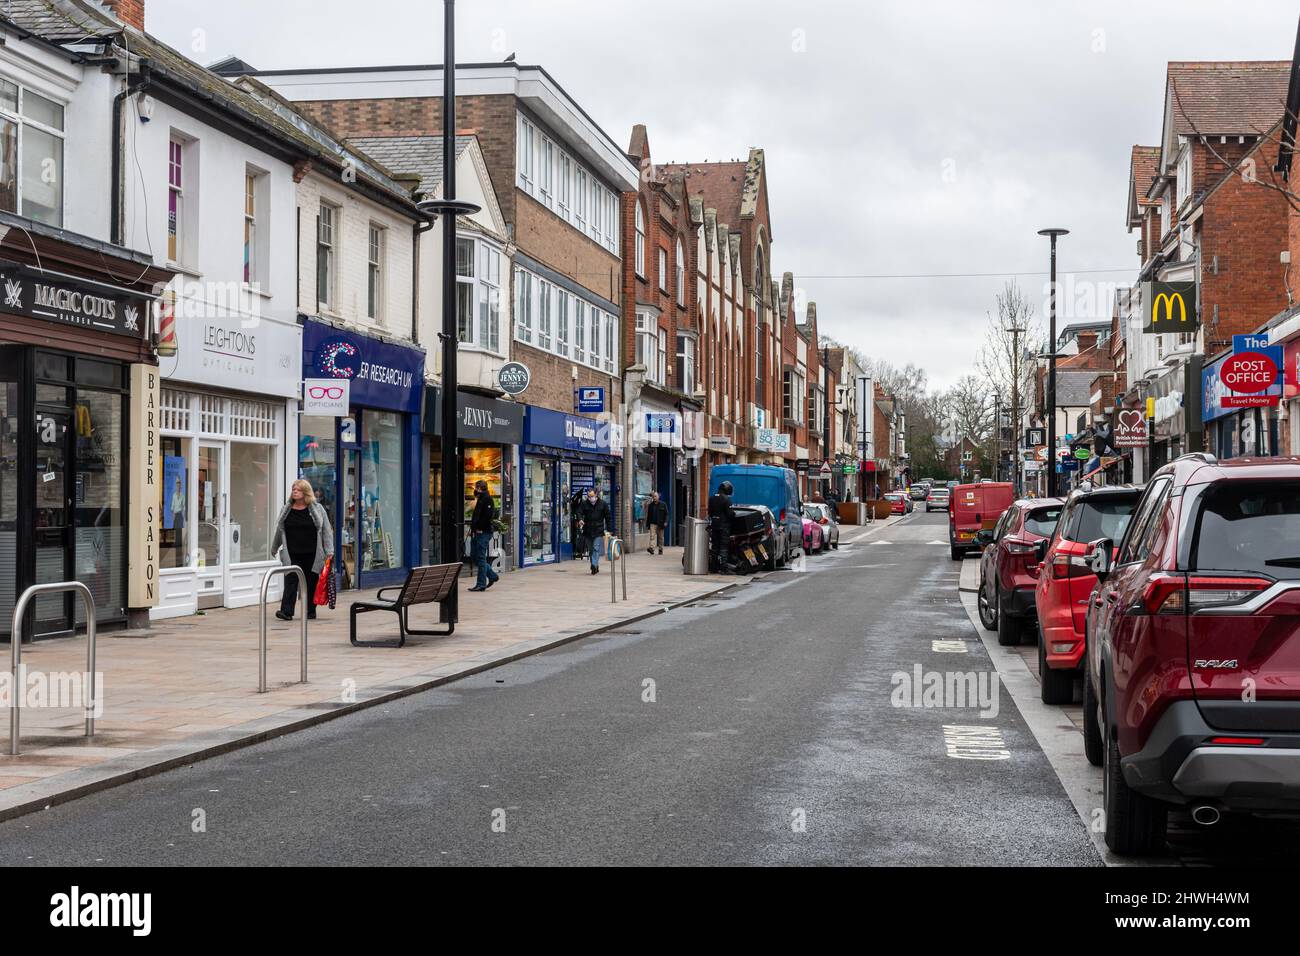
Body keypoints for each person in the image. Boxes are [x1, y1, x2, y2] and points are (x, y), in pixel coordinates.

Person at [271, 479, 334, 621]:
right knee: (290, 581)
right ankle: (286, 611)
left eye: (298, 489)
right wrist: (274, 547)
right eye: (293, 488)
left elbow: (326, 531)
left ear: (305, 492)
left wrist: (329, 551)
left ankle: (310, 611)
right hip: (291, 553)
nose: (294, 491)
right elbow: (280, 530)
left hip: (312, 553)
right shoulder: (286, 509)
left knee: (311, 583)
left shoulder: (317, 509)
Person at [467, 479, 499, 592]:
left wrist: (479, 528)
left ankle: (481, 584)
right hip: (477, 532)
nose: (474, 490)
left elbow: (487, 517)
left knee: (480, 558)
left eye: (476, 488)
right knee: (474, 556)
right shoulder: (480, 499)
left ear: (479, 488)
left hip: (483, 533)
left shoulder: (487, 499)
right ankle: (492, 575)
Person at [577, 487, 611, 574]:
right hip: (587, 530)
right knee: (591, 550)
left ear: (596, 494)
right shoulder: (585, 504)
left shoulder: (603, 504)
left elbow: (608, 517)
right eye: (588, 496)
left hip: (598, 530)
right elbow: (579, 512)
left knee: (596, 548)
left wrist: (610, 529)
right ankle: (595, 565)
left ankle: (594, 565)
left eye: (592, 496)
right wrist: (580, 519)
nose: (590, 498)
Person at [707, 480, 736, 573]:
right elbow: (730, 514)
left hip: (714, 525)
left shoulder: (711, 498)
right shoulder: (726, 499)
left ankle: (713, 568)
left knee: (715, 547)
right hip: (724, 527)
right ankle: (724, 568)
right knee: (724, 547)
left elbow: (710, 513)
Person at [645, 490, 669, 555]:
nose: (654, 497)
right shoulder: (650, 505)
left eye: (655, 496)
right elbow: (648, 515)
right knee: (652, 536)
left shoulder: (663, 504)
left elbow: (666, 514)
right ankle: (652, 549)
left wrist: (666, 522)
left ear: (658, 497)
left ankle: (660, 549)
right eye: (653, 496)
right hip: (652, 523)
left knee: (661, 538)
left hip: (660, 524)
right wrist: (647, 524)